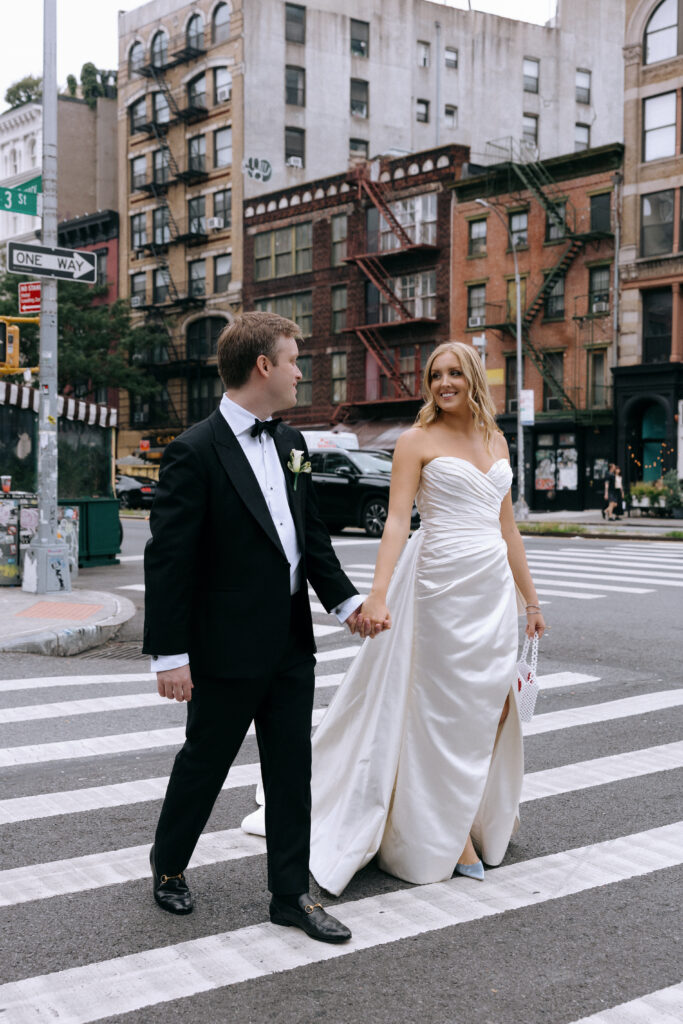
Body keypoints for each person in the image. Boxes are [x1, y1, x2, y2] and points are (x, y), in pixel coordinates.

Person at [244, 340, 546, 894]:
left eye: (456, 373)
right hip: (437, 589)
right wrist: (377, 595)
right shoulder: (414, 441)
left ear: (473, 377)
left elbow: (508, 532)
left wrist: (531, 601)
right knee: (439, 714)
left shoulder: (496, 439)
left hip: (493, 593)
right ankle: (449, 834)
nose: (445, 383)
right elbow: (395, 524)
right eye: (436, 375)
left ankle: (462, 810)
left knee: (495, 710)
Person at [143, 311, 369, 944]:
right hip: (222, 650)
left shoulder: (293, 445)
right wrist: (169, 655)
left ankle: (289, 896)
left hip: (291, 646)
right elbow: (169, 563)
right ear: (263, 366)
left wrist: (348, 606)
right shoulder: (193, 451)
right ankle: (168, 869)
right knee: (204, 763)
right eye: (295, 359)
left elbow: (310, 541)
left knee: (292, 771)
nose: (302, 371)